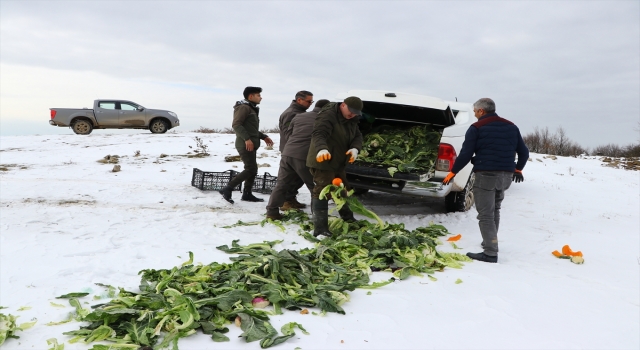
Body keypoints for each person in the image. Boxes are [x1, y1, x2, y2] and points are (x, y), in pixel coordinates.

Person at [442, 98, 529, 263]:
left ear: (481, 111)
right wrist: (518, 169)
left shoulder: (476, 128)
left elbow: (466, 154)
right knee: (495, 209)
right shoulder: (511, 126)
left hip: (486, 176)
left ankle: (490, 252)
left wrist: (452, 172)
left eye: (475, 111)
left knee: (485, 214)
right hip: (506, 176)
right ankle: (490, 241)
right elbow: (524, 152)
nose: (474, 114)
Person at [306, 96, 364, 237]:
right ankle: (320, 228)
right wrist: (321, 149)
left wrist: (355, 148)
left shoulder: (351, 119)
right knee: (322, 190)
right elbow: (319, 133)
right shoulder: (328, 115)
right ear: (343, 105)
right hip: (323, 160)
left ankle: (348, 218)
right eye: (350, 111)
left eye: (355, 113)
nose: (352, 114)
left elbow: (358, 136)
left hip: (338, 161)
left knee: (343, 188)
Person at [265, 99, 331, 220]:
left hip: (288, 153)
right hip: (304, 156)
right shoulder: (324, 120)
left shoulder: (300, 116)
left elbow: (289, 134)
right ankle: (318, 218)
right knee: (315, 187)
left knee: (281, 184)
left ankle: (272, 212)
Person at [219, 86, 274, 204]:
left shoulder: (251, 108)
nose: (261, 97)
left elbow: (251, 129)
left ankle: (247, 194)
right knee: (250, 169)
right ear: (251, 96)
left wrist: (263, 136)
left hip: (251, 144)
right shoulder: (243, 107)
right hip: (245, 144)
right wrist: (247, 139)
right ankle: (228, 188)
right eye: (258, 95)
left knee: (253, 169)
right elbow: (236, 125)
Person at [278, 91, 314, 210]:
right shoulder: (291, 114)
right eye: (309, 101)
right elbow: (290, 134)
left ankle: (290, 199)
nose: (310, 104)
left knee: (297, 178)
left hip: (296, 150)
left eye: (311, 102)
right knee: (290, 178)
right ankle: (285, 202)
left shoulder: (300, 113)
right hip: (292, 150)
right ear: (299, 100)